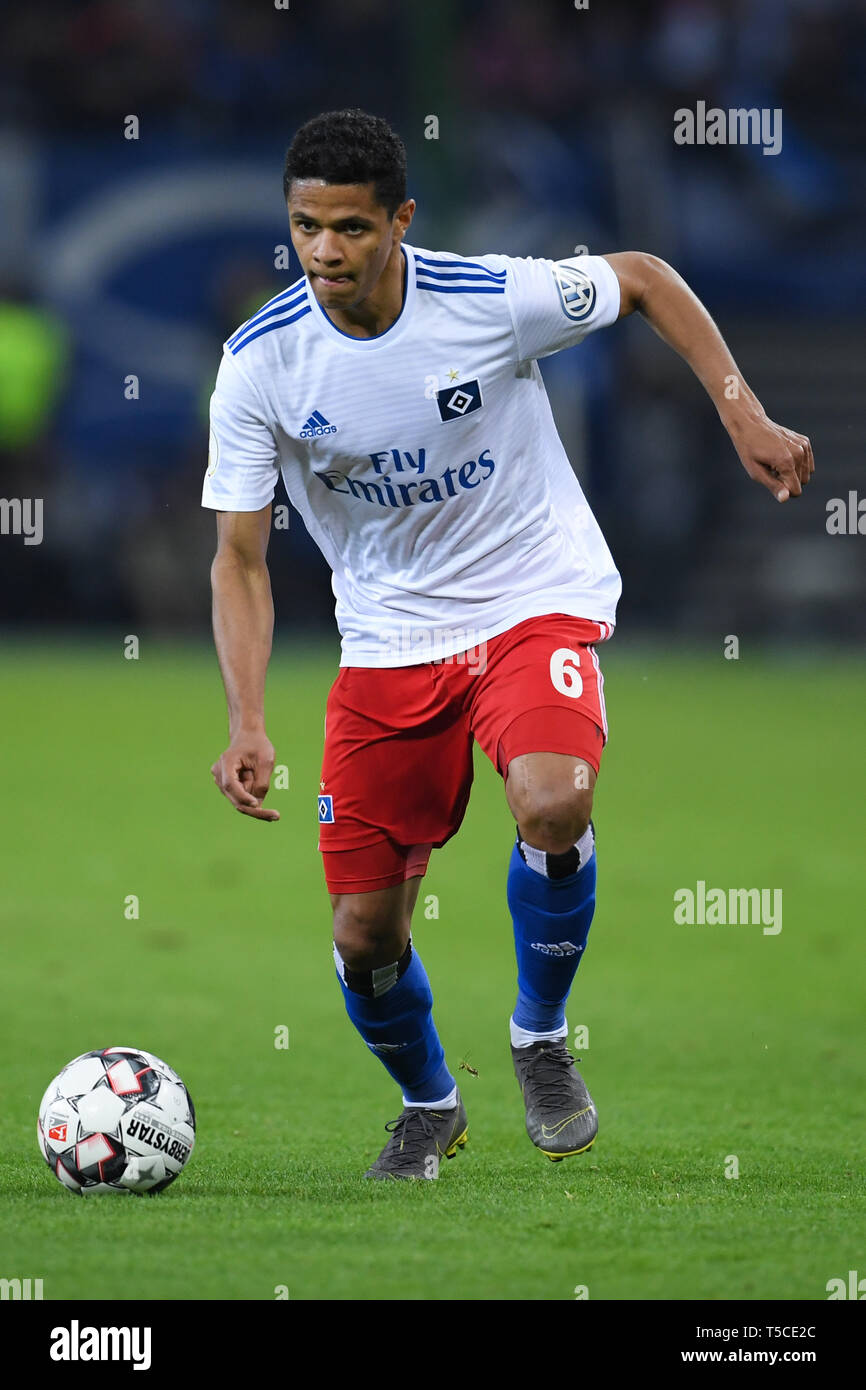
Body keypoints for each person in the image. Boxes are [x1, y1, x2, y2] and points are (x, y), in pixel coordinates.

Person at [204, 108, 813, 1179]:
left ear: (400, 220)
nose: (324, 252)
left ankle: (538, 1036)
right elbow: (240, 561)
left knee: (551, 798)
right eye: (305, 227)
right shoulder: (260, 366)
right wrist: (247, 717)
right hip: (390, 638)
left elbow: (642, 276)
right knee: (362, 935)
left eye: (350, 227)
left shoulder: (488, 299)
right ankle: (430, 1103)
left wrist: (739, 410)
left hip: (531, 596)